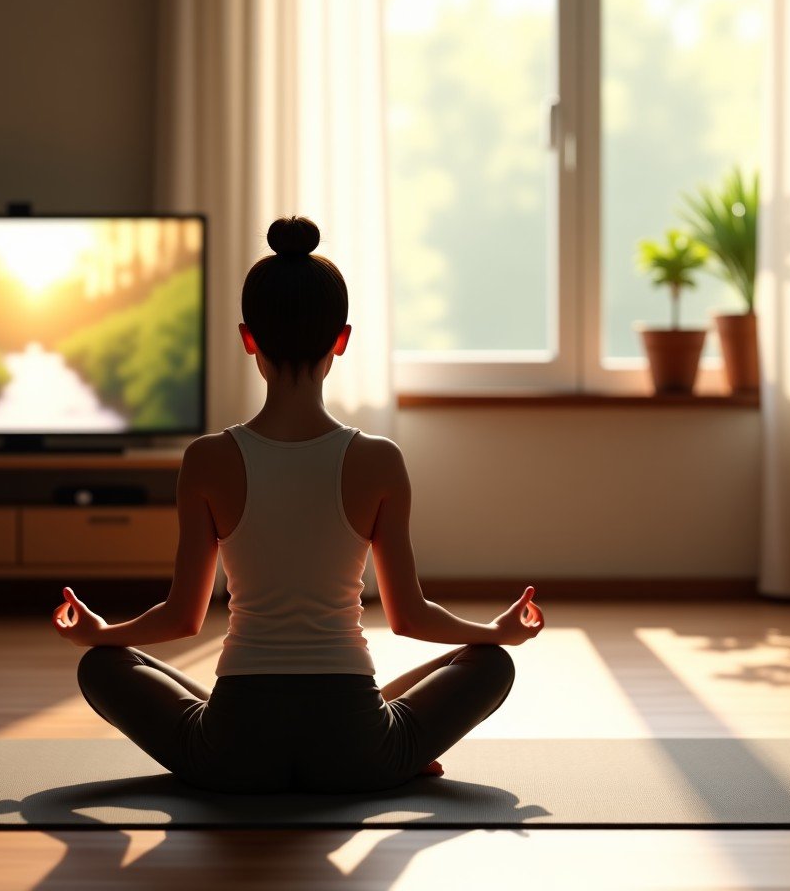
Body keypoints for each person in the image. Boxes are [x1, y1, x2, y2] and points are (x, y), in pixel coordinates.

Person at [53, 216, 544, 794]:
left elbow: (183, 618)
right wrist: (496, 631)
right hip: (358, 750)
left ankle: (258, 739)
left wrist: (100, 633)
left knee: (104, 664)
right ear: (342, 339)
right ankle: (391, 746)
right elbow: (409, 618)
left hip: (232, 752)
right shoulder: (379, 459)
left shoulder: (207, 459)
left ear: (248, 339)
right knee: (489, 661)